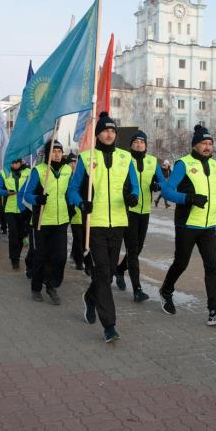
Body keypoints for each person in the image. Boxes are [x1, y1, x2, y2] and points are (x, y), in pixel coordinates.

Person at [68, 112, 140, 343]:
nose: (109, 134)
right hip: (96, 223)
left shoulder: (125, 158)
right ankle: (110, 326)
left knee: (106, 275)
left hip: (118, 223)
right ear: (98, 134)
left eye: (112, 130)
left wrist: (133, 198)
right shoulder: (86, 158)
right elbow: (72, 190)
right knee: (102, 271)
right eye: (105, 130)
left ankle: (90, 297)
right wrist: (81, 203)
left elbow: (135, 187)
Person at [159, 125, 216, 326]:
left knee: (212, 267)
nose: (207, 147)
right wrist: (189, 199)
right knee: (181, 263)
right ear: (195, 145)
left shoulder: (215, 165)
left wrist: (214, 212)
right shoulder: (183, 164)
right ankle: (166, 290)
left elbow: (212, 192)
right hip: (187, 224)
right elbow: (167, 191)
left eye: (210, 144)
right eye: (203, 143)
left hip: (208, 226)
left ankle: (214, 311)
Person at [113, 130, 169, 302]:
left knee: (137, 250)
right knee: (132, 249)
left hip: (145, 211)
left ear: (146, 145)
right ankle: (137, 289)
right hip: (128, 210)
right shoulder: (124, 159)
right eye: (136, 142)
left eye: (142, 142)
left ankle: (120, 269)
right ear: (131, 145)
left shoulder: (152, 161)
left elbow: (163, 182)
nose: (139, 144)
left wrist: (156, 185)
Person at [24, 140, 71, 304]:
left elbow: (70, 192)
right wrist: (37, 198)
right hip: (41, 221)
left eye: (59, 151)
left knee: (60, 257)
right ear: (47, 154)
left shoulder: (67, 170)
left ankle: (52, 285)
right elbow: (26, 194)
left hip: (61, 220)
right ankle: (36, 288)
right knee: (40, 257)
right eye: (53, 151)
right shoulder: (38, 170)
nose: (57, 154)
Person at [0, 158, 31, 269]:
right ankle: (14, 259)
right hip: (10, 209)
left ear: (21, 163)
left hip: (24, 208)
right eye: (13, 162)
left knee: (21, 235)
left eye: (17, 162)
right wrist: (6, 192)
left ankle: (18, 255)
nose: (15, 164)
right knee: (13, 235)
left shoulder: (28, 172)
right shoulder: (4, 172)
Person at [67, 153, 85, 271]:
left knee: (81, 238)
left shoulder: (82, 176)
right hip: (72, 212)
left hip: (83, 212)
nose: (73, 165)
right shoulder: (65, 176)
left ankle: (75, 253)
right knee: (78, 238)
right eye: (71, 163)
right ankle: (80, 262)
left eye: (75, 162)